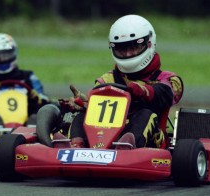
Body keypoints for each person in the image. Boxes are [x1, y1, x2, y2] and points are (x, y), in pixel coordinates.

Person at [64, 14, 184, 149]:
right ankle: (75, 147)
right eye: (122, 49)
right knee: (81, 116)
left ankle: (126, 146)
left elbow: (166, 94)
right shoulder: (108, 79)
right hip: (106, 137)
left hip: (151, 144)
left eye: (133, 47)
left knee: (145, 114)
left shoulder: (168, 78)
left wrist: (144, 91)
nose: (127, 54)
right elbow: (99, 110)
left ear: (149, 43)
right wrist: (85, 104)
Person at [0, 33, 50, 133]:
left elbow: (45, 100)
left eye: (6, 55)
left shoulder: (28, 76)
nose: (2, 59)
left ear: (14, 53)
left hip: (25, 119)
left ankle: (33, 133)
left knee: (36, 116)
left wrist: (36, 97)